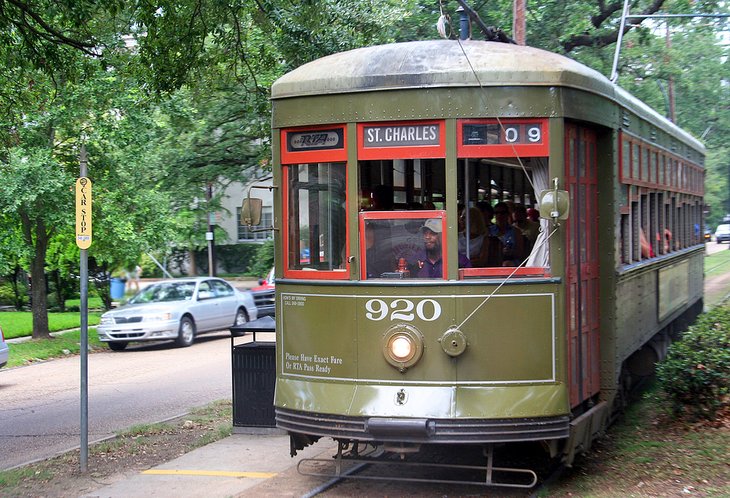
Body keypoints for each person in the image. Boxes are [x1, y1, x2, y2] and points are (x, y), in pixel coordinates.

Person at [489, 202, 526, 266]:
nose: (499, 215)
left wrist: (510, 252)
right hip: (493, 260)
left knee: (506, 264)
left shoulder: (516, 231)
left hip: (511, 260)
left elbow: (520, 253)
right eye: (496, 213)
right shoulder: (489, 230)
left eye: (502, 213)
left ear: (508, 214)